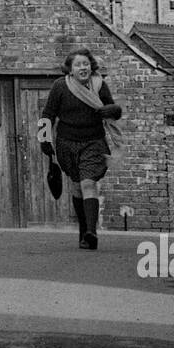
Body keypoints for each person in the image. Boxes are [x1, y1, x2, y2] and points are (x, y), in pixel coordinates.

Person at [39, 48, 122, 250]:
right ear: (70, 69)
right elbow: (48, 114)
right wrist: (44, 140)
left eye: (86, 63)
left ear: (91, 66)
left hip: (93, 142)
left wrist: (113, 110)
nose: (83, 67)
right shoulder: (60, 87)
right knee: (77, 185)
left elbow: (113, 111)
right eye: (78, 64)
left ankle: (91, 232)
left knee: (88, 183)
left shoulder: (99, 84)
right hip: (67, 143)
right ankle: (83, 229)